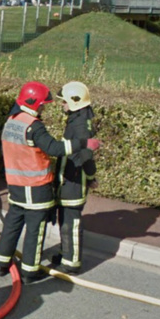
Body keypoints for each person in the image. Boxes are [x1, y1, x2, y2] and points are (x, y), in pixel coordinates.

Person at [0, 81, 98, 283]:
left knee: (12, 224)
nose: (44, 107)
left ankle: (1, 263)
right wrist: (84, 144)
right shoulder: (34, 127)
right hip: (36, 187)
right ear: (34, 103)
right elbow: (55, 149)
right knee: (35, 228)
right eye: (42, 104)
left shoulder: (11, 121)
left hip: (15, 185)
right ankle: (29, 271)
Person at [51, 82, 98, 275]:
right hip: (68, 178)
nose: (61, 105)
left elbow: (85, 155)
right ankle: (65, 253)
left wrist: (91, 176)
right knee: (65, 219)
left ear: (75, 102)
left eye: (64, 102)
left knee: (71, 221)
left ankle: (72, 262)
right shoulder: (77, 119)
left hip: (74, 181)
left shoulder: (80, 126)